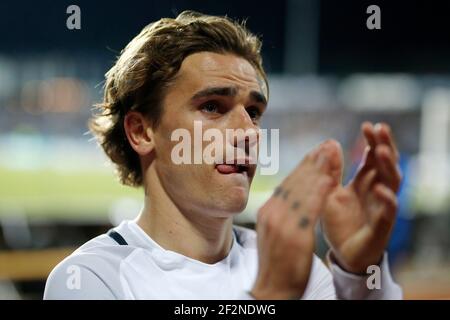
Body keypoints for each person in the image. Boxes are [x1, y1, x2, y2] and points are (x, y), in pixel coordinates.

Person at [44, 11, 402, 300]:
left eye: (254, 113)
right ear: (141, 131)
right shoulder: (91, 279)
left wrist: (358, 271)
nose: (247, 132)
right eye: (213, 106)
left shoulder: (294, 268)